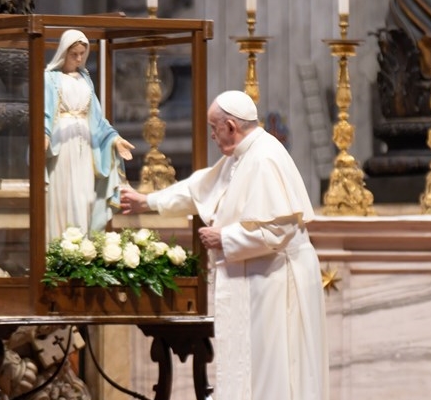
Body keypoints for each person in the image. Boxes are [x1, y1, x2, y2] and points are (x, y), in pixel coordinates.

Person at [120, 90, 328, 400]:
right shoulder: (243, 154)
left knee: (275, 368)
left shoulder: (265, 157)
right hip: (261, 279)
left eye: (214, 128)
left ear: (230, 126)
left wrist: (225, 238)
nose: (213, 137)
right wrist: (147, 201)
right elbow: (199, 189)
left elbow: (280, 227)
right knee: (254, 367)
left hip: (278, 282)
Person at [44, 29, 135, 242]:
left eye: (82, 54)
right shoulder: (50, 78)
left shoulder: (85, 79)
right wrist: (44, 135)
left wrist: (115, 139)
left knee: (84, 196)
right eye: (73, 54)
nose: (78, 58)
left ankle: (82, 244)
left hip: (85, 145)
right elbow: (45, 111)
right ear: (63, 52)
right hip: (62, 145)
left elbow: (97, 118)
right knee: (63, 196)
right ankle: (59, 245)